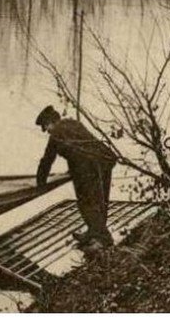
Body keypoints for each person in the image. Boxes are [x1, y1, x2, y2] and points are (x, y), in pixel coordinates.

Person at [35, 105, 117, 250]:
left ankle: (103, 240)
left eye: (46, 126)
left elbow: (47, 160)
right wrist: (71, 169)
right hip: (104, 160)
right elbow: (77, 150)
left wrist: (40, 183)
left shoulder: (56, 133)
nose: (47, 130)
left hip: (90, 167)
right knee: (99, 199)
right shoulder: (73, 123)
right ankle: (94, 233)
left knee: (86, 202)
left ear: (51, 122)